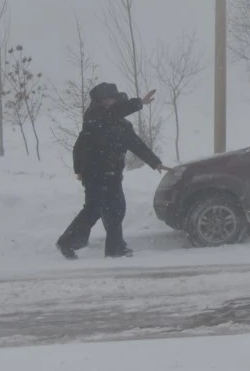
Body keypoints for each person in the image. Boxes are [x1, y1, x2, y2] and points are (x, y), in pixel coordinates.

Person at [56, 82, 170, 259]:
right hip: (94, 174)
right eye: (110, 99)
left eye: (114, 99)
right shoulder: (94, 116)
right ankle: (67, 242)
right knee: (93, 210)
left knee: (116, 210)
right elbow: (79, 146)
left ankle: (114, 248)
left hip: (113, 175)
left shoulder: (122, 125)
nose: (112, 102)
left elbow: (136, 145)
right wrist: (139, 103)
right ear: (101, 100)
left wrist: (155, 162)